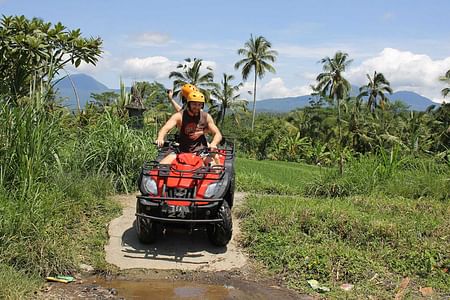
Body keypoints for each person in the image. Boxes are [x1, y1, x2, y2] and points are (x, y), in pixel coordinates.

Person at [156, 90, 222, 166]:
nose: (197, 107)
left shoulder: (206, 116)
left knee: (215, 169)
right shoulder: (179, 116)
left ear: (202, 105)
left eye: (199, 104)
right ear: (189, 104)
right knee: (160, 167)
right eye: (194, 104)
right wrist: (160, 138)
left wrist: (213, 143)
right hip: (181, 150)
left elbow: (217, 133)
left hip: (201, 152)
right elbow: (165, 128)